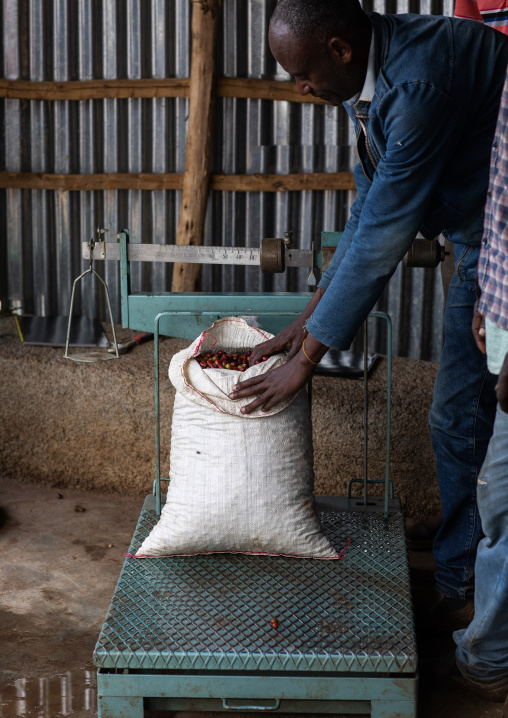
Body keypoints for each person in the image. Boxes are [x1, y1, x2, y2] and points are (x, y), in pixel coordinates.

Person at [228, 0, 508, 630]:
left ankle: (461, 580)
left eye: (300, 73)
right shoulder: (373, 80)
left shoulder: (416, 86)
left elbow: (386, 230)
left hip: (496, 237)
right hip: (477, 228)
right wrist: (304, 322)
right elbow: (366, 210)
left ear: (340, 50)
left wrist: (306, 360)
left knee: (458, 410)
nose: (299, 88)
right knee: (468, 408)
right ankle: (468, 516)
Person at [431, 66, 508, 709]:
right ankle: (466, 594)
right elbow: (501, 203)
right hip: (490, 279)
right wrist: (487, 286)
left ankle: (487, 659)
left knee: (505, 499)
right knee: (460, 427)